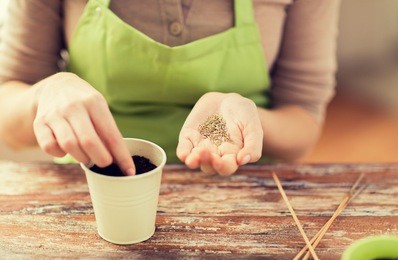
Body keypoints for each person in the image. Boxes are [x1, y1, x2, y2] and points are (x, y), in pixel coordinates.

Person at [0, 0, 339, 176]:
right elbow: (7, 111)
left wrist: (252, 122)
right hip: (91, 188)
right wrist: (44, 95)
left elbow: (304, 119)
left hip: (243, 189)